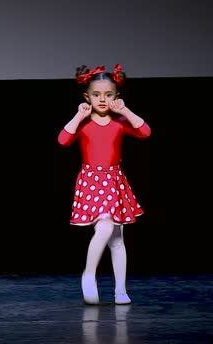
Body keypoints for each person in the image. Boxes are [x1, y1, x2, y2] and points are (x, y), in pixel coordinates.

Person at [57, 65, 150, 304]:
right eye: (96, 94)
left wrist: (125, 110)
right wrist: (79, 115)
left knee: (117, 239)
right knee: (106, 226)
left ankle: (120, 290)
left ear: (116, 97)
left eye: (108, 95)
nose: (102, 99)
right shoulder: (84, 123)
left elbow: (145, 132)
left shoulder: (119, 122)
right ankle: (89, 274)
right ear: (87, 97)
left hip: (114, 179)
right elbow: (63, 139)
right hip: (92, 180)